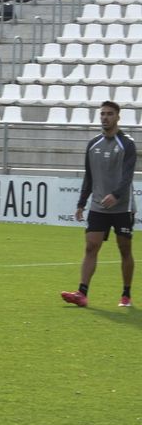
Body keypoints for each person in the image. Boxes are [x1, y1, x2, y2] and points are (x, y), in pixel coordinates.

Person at [61, 100, 136, 308]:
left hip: (122, 207)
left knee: (124, 249)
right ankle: (82, 293)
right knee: (91, 246)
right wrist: (81, 202)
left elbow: (128, 176)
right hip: (98, 206)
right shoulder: (93, 144)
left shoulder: (127, 144)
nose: (105, 117)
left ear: (118, 117)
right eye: (102, 114)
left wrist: (117, 195)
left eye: (109, 114)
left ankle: (126, 294)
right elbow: (89, 176)